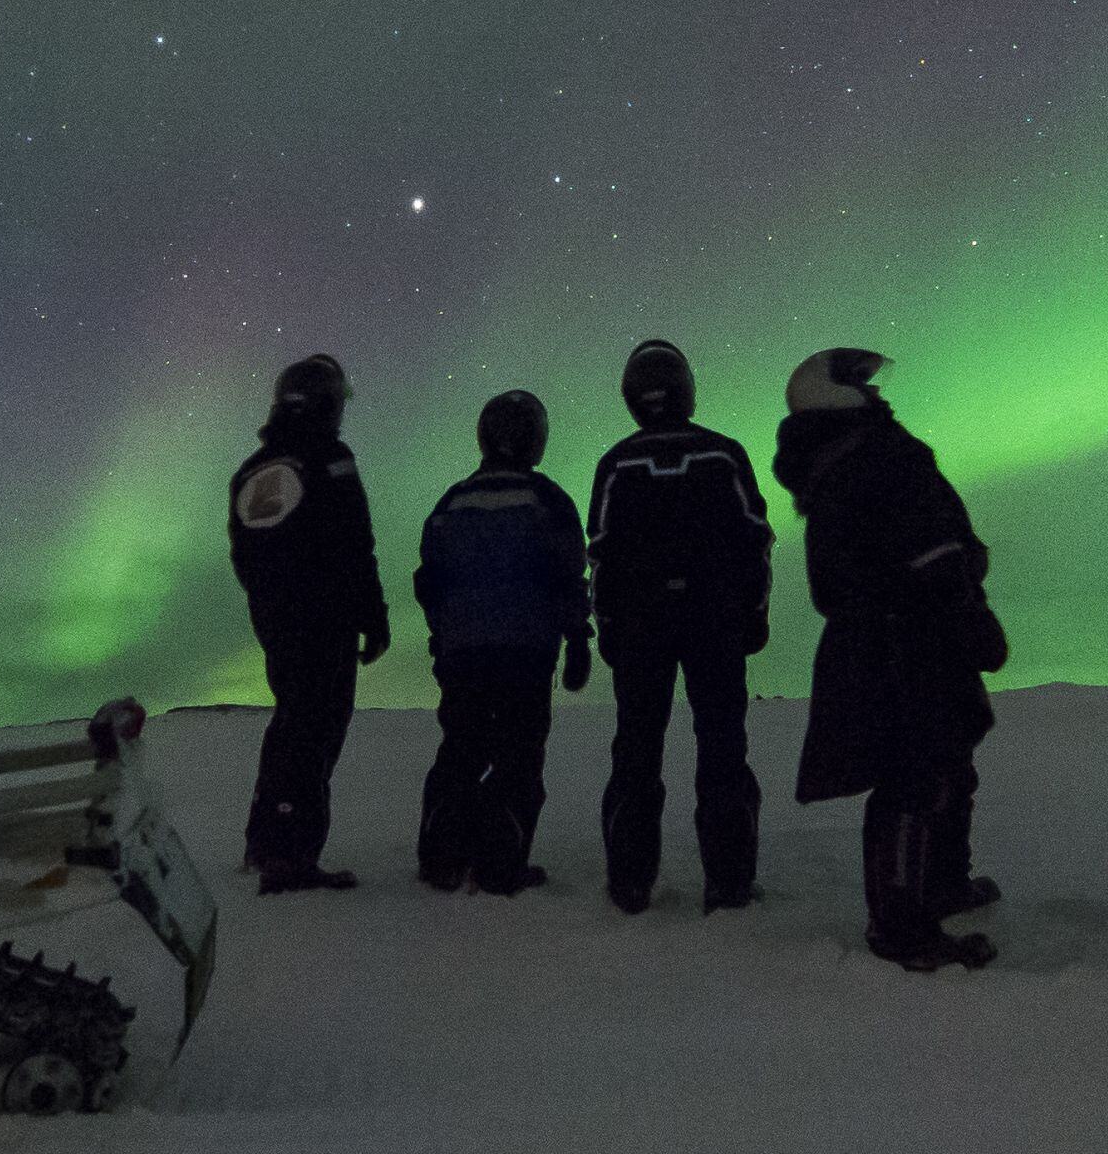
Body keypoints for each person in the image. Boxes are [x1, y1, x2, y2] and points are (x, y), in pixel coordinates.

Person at [772, 348, 1009, 971]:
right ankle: (900, 923)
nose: (875, 393)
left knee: (945, 762)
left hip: (905, 630)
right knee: (917, 774)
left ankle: (940, 885)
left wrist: (958, 586)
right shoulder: (871, 456)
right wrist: (958, 599)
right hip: (905, 634)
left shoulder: (852, 455)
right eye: (860, 384)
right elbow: (919, 539)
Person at [587, 338, 775, 914]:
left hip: (643, 628)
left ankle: (630, 881)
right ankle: (728, 880)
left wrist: (612, 624)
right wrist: (754, 612)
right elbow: (755, 539)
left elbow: (601, 553)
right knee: (722, 746)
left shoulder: (616, 462)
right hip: (715, 623)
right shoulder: (723, 453)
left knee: (636, 749)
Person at [411, 389, 592, 895]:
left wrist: (441, 636)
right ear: (535, 439)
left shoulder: (452, 500)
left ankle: (440, 857)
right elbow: (567, 574)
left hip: (462, 651)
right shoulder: (547, 498)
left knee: (461, 748)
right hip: (526, 651)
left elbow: (429, 579)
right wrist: (578, 637)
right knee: (518, 752)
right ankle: (499, 862)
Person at [228, 352, 390, 894]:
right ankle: (292, 856)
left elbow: (245, 555)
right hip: (325, 620)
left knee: (291, 722)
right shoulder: (330, 458)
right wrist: (373, 614)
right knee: (316, 729)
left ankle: (264, 839)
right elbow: (354, 543)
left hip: (277, 622)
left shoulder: (251, 471)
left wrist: (273, 606)